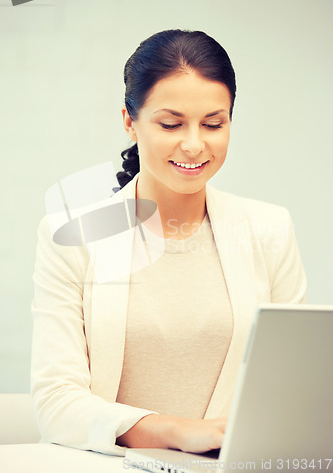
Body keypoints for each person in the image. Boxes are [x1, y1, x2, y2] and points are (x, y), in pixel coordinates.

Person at [31, 29, 307, 456]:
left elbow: (294, 387)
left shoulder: (269, 229)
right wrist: (181, 433)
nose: (195, 144)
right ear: (130, 121)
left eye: (214, 123)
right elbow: (57, 403)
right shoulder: (71, 238)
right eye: (171, 123)